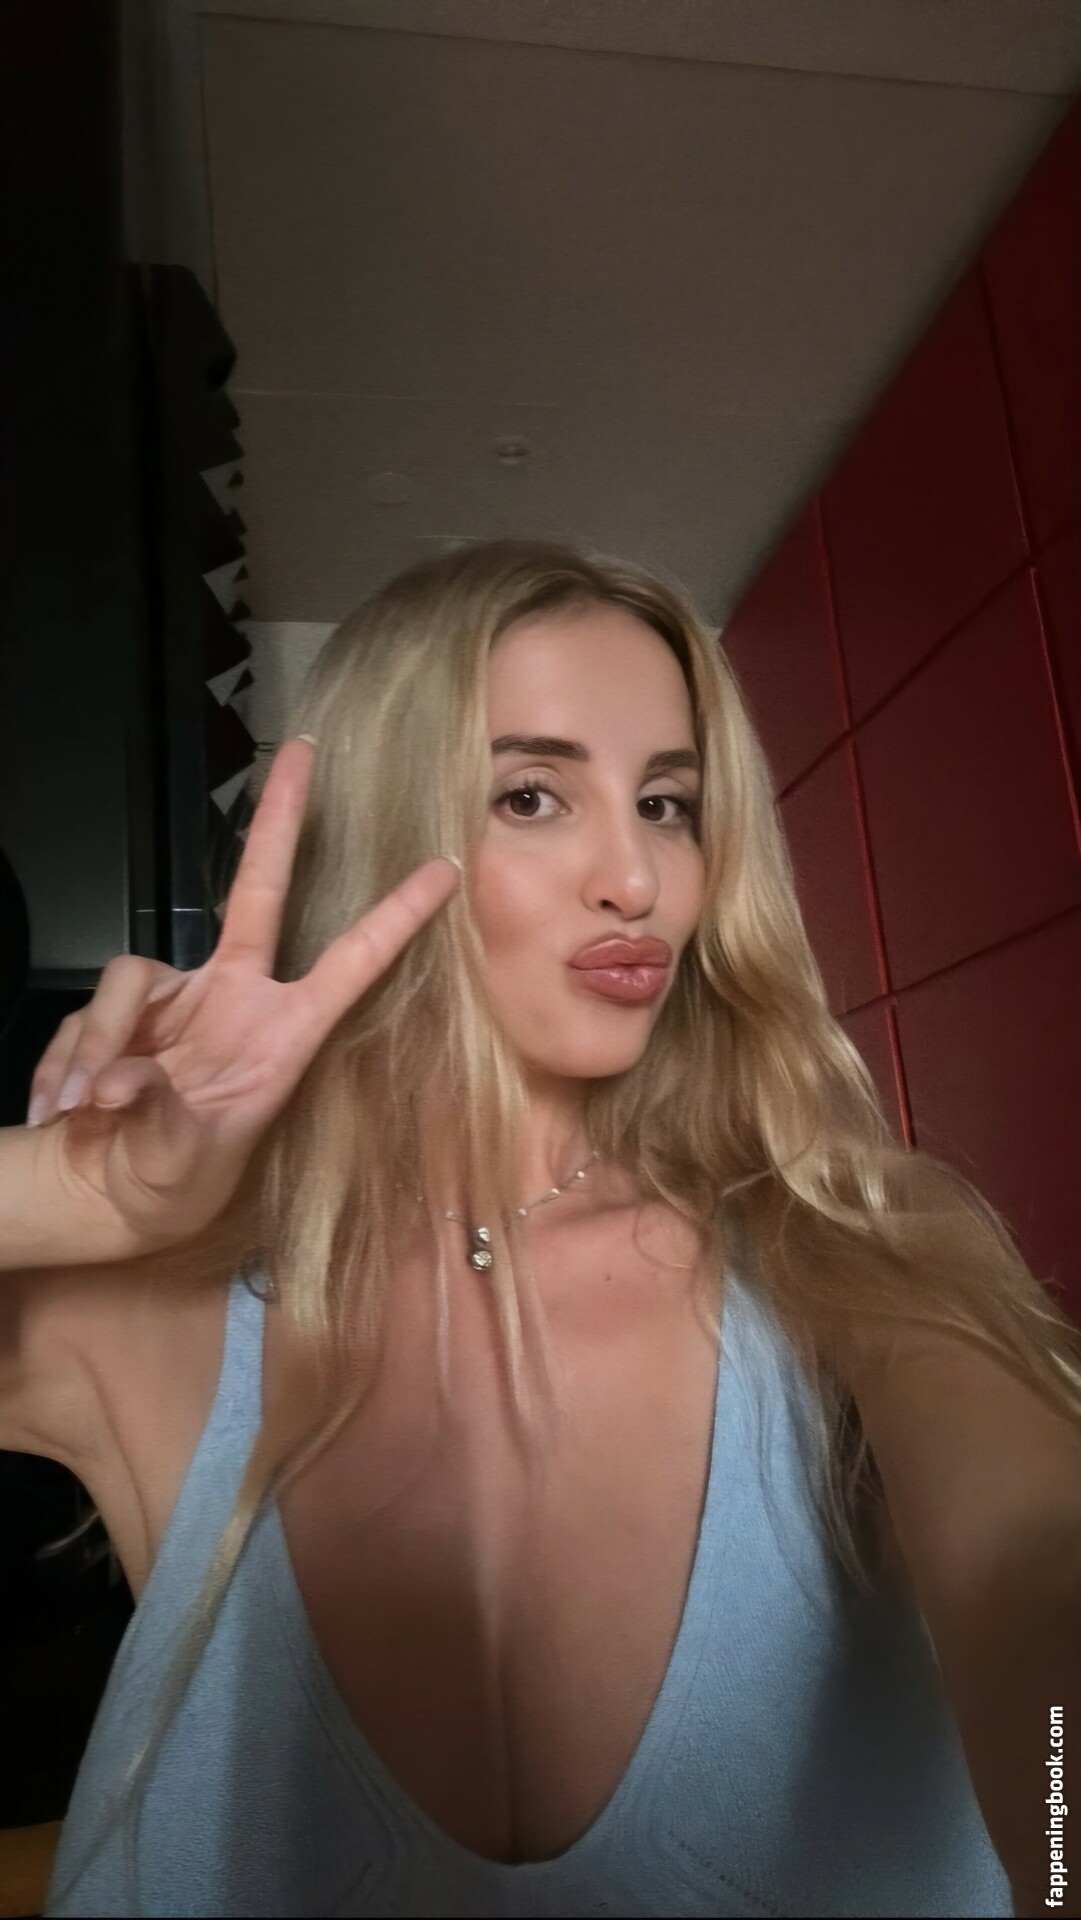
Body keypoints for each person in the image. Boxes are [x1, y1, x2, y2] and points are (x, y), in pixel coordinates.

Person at [1, 537, 1079, 1919]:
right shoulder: (152, 1308)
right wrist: (71, 1196)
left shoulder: (851, 1240)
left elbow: (1037, 1580)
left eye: (668, 805)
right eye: (532, 795)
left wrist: (1060, 1834)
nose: (637, 879)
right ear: (386, 838)